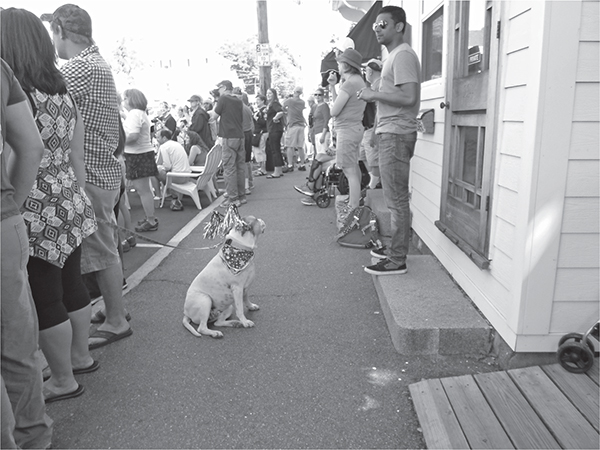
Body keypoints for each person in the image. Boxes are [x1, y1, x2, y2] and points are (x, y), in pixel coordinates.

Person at [2, 7, 99, 405]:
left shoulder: (17, 93)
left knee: (45, 295)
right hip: (69, 197)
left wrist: (17, 203)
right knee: (72, 283)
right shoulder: (62, 89)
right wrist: (82, 197)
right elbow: (75, 154)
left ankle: (61, 378)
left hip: (35, 203)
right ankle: (80, 357)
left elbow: (20, 153)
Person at [42, 4, 132, 349]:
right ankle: (114, 308)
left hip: (91, 171)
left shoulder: (81, 67)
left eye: (52, 33)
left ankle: (116, 318)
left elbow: (42, 96)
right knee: (103, 244)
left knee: (101, 248)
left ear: (61, 31)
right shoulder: (99, 64)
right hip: (104, 169)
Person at [0, 58, 53, 448]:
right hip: (5, 223)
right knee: (17, 347)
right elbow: (31, 146)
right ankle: (34, 437)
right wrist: (9, 205)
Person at [358, 5, 421, 275]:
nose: (378, 29)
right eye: (375, 26)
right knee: (393, 198)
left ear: (399, 26)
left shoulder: (403, 55)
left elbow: (409, 98)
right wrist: (376, 129)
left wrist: (374, 95)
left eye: (383, 24)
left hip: (397, 134)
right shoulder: (393, 56)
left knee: (396, 201)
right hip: (389, 132)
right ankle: (395, 250)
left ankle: (397, 260)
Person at [328, 48, 366, 214]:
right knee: (354, 167)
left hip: (347, 130)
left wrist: (336, 86)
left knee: (348, 170)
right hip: (356, 127)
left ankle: (353, 207)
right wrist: (333, 86)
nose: (339, 66)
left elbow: (334, 111)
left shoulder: (349, 84)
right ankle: (355, 201)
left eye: (340, 63)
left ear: (346, 65)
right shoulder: (359, 81)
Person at [122, 88, 159, 230]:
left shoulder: (134, 114)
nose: (123, 101)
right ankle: (150, 217)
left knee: (143, 190)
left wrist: (119, 142)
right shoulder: (140, 113)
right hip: (142, 153)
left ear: (131, 99)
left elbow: (133, 136)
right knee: (145, 190)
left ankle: (151, 221)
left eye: (125, 98)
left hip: (137, 155)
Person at [293, 87, 333, 205]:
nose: (317, 97)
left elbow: (326, 120)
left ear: (323, 95)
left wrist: (324, 134)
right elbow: (313, 122)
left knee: (320, 160)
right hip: (316, 132)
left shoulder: (324, 106)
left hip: (322, 133)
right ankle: (312, 188)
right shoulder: (315, 107)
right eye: (315, 95)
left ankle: (313, 188)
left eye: (319, 95)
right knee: (317, 159)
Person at [213, 80, 246, 207]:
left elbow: (214, 117)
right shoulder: (239, 100)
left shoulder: (223, 99)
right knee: (239, 167)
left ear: (225, 88)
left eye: (220, 87)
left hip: (228, 136)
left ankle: (233, 198)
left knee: (229, 168)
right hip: (239, 136)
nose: (218, 90)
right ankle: (241, 195)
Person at [154, 128, 191, 211]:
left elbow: (167, 166)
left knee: (153, 171)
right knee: (159, 171)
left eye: (158, 137)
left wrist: (160, 167)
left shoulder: (164, 147)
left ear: (164, 138)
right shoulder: (176, 144)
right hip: (187, 176)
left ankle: (158, 196)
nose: (157, 140)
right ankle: (167, 194)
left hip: (177, 177)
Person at [362, 58, 383, 189]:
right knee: (364, 156)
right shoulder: (374, 86)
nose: (365, 73)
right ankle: (375, 180)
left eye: (366, 70)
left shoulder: (379, 86)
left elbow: (379, 111)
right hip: (368, 128)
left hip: (374, 128)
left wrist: (375, 131)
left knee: (374, 160)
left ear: (370, 71)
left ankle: (373, 186)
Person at [282, 86, 306, 172]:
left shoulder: (290, 101)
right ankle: (302, 164)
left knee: (289, 146)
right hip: (301, 125)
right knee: (300, 146)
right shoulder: (302, 102)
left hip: (293, 125)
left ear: (294, 92)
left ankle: (290, 165)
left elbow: (282, 106)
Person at [265, 88, 285, 179]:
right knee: (276, 149)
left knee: (274, 149)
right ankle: (279, 170)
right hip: (275, 129)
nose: (268, 95)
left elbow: (280, 112)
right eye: (267, 93)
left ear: (274, 94)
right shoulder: (271, 104)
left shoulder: (274, 103)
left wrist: (275, 118)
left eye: (270, 93)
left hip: (275, 129)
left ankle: (276, 171)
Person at [252, 94, 268, 176]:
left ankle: (263, 169)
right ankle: (261, 167)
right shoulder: (259, 110)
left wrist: (256, 118)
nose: (256, 102)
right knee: (258, 150)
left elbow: (265, 122)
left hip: (262, 132)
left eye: (258, 100)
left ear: (263, 101)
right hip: (259, 132)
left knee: (260, 150)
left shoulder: (264, 110)